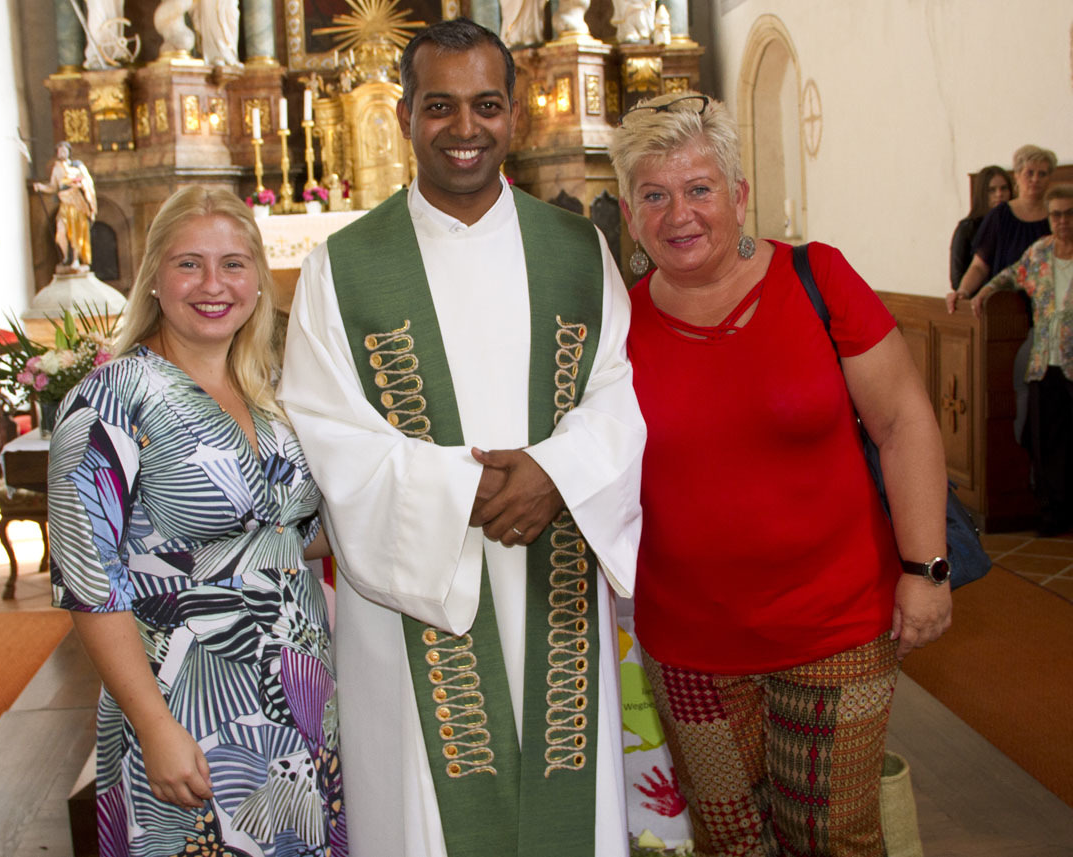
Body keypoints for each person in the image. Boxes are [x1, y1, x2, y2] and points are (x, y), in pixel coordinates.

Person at [278, 18, 645, 857]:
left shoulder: (578, 251)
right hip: (411, 591)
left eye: (485, 104)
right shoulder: (343, 266)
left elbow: (616, 394)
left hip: (553, 575)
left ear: (516, 113)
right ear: (403, 115)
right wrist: (459, 492)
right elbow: (325, 429)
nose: (464, 127)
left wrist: (555, 474)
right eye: (439, 105)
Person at [609, 92, 951, 856]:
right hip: (690, 644)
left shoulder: (815, 277)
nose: (678, 214)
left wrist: (925, 568)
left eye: (699, 189)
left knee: (830, 838)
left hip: (835, 627)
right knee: (730, 842)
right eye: (654, 196)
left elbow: (903, 420)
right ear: (629, 216)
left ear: (738, 196)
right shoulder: (615, 328)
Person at [47, 186, 346, 857]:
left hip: (297, 696)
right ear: (154, 276)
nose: (214, 284)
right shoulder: (110, 399)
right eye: (190, 264)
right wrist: (154, 726)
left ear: (258, 280)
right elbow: (89, 581)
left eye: (234, 264)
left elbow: (289, 535)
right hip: (187, 701)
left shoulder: (269, 392)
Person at [971, 185, 1073, 535]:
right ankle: (1052, 513)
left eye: (1069, 214)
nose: (1063, 221)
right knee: (1044, 442)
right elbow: (1008, 275)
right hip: (1045, 362)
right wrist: (983, 291)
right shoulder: (1039, 252)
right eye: (1056, 214)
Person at [948, 144, 1056, 312]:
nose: (1035, 179)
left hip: (1048, 309)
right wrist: (963, 292)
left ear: (1049, 178)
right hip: (1005, 309)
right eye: (1029, 173)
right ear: (1017, 175)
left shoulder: (1057, 216)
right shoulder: (1000, 215)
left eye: (1042, 174)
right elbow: (980, 266)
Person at [33, 141, 97, 273]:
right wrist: (41, 187)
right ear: (57, 153)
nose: (62, 152)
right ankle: (66, 257)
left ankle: (76, 260)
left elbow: (87, 182)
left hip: (77, 203)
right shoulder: (56, 169)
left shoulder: (77, 166)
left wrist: (79, 184)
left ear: (69, 152)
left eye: (64, 150)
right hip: (64, 203)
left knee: (76, 231)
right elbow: (53, 187)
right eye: (60, 150)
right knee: (61, 231)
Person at [949, 164, 1012, 291]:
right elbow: (957, 279)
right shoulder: (967, 228)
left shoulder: (1014, 224)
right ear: (982, 194)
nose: (999, 194)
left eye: (1004, 188)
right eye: (992, 190)